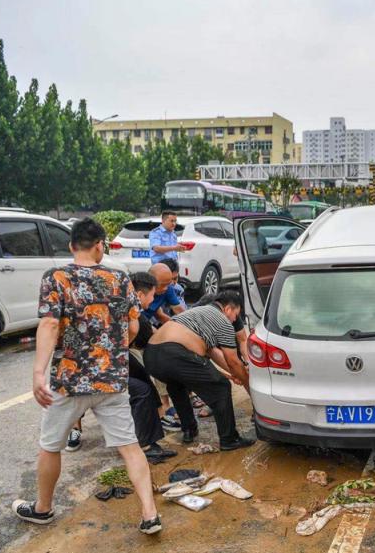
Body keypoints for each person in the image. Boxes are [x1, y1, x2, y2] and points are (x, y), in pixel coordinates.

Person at [13, 218, 161, 535]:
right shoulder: (120, 279)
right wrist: (114, 351)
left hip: (70, 380)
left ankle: (42, 509)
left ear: (71, 246)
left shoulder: (56, 277)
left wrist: (38, 372)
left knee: (50, 446)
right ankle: (150, 514)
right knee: (130, 447)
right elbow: (134, 326)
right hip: (112, 380)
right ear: (99, 246)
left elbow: (49, 324)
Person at [63, 272, 178, 463]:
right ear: (139, 295)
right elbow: (136, 334)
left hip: (101, 363)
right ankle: (143, 444)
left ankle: (149, 434)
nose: (153, 300)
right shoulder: (126, 311)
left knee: (143, 380)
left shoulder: (116, 306)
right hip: (91, 370)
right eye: (152, 295)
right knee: (140, 390)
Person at [143, 290, 253, 451]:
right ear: (228, 309)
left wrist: (232, 375)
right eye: (236, 314)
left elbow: (211, 353)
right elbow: (232, 360)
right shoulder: (222, 320)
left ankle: (189, 429)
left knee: (177, 385)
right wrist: (245, 378)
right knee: (221, 387)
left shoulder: (197, 313)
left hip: (151, 356)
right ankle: (229, 439)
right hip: (175, 353)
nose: (235, 320)